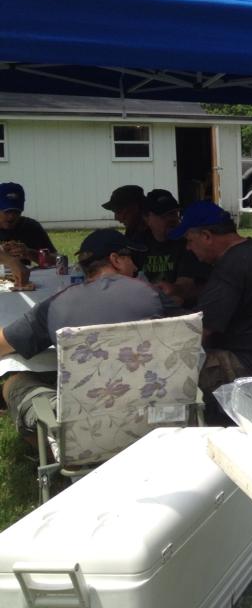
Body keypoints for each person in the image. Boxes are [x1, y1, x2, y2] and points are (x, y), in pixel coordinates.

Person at [0, 229, 163, 445]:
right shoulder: (151, 296)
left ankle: (59, 455)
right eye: (132, 258)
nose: (136, 266)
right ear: (115, 260)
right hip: (153, 416)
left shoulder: (55, 306)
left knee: (13, 378)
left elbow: (4, 344)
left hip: (83, 426)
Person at [171, 201, 252, 418]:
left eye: (189, 240)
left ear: (206, 235)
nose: (187, 248)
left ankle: (210, 427)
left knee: (177, 374)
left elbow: (201, 330)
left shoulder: (231, 266)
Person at [141, 189, 208, 306]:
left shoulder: (188, 244)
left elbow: (188, 284)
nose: (172, 219)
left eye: (174, 213)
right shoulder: (138, 244)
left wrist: (174, 290)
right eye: (163, 216)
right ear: (147, 218)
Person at [0, 182, 56, 262]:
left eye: (16, 212)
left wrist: (29, 253)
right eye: (7, 212)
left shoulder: (30, 226)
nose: (11, 217)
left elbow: (56, 260)